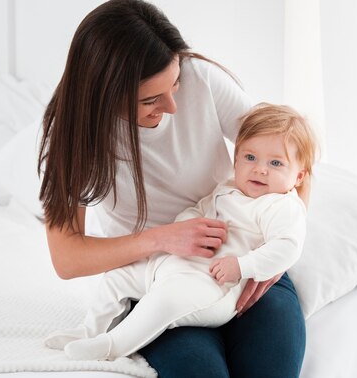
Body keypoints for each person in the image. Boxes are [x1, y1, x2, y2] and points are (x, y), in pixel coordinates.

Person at [38, 0, 309, 378]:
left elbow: (295, 152)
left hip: (245, 267)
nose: (172, 107)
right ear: (104, 96)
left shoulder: (202, 79)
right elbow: (67, 258)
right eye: (150, 100)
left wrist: (275, 257)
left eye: (175, 84)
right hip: (159, 280)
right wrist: (162, 239)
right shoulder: (73, 138)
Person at [45, 103, 317, 361]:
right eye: (250, 157)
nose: (260, 169)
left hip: (212, 285)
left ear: (299, 176)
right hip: (171, 264)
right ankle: (89, 329)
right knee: (118, 275)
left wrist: (242, 266)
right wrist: (186, 226)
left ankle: (112, 346)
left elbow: (286, 247)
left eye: (276, 164)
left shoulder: (279, 206)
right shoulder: (229, 188)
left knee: (167, 301)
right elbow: (198, 210)